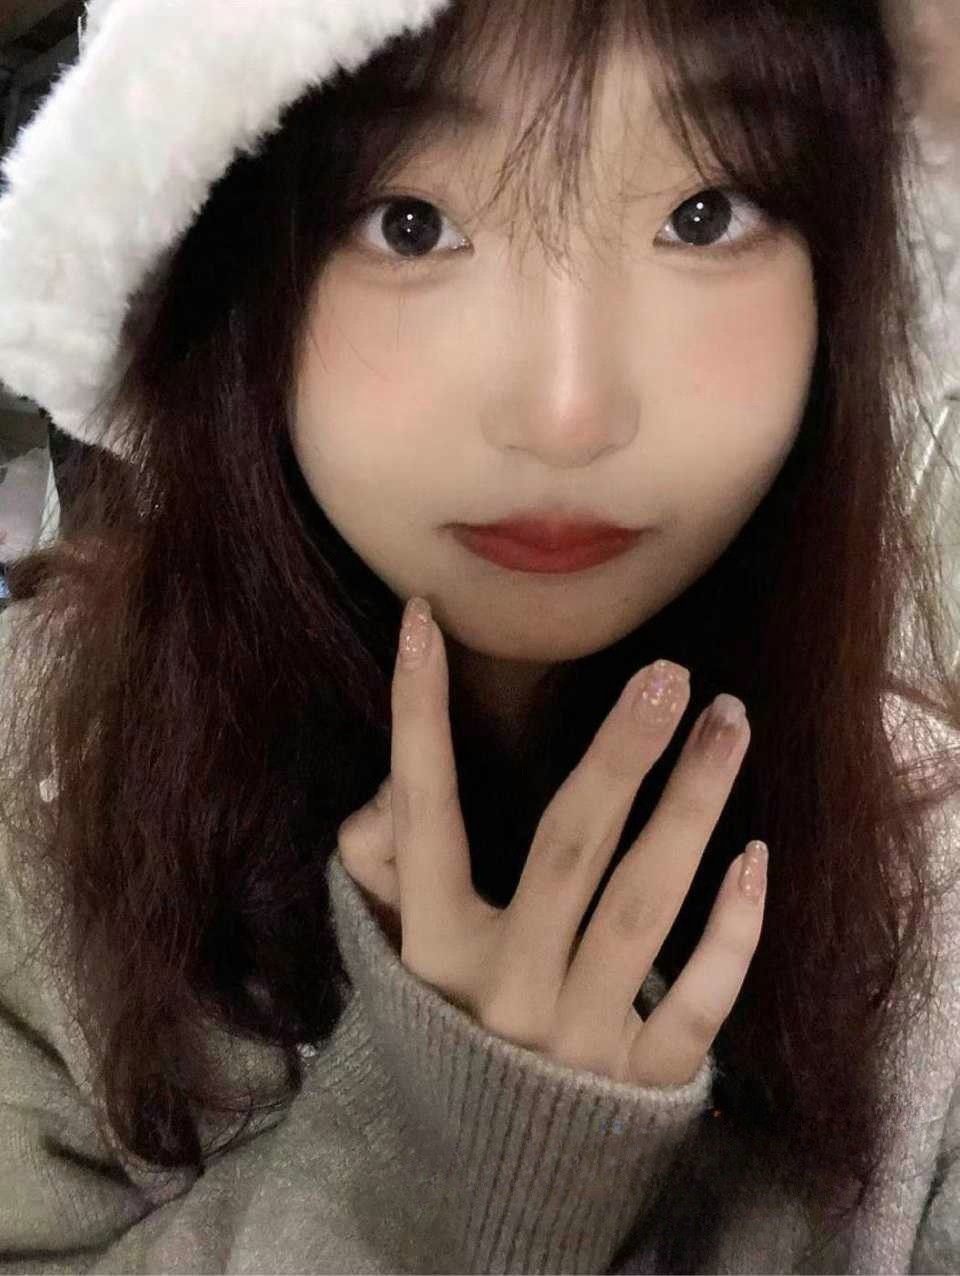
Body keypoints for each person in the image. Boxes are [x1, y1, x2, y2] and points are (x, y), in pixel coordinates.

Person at [0, 0, 958, 1271]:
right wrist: (440, 1182)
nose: (566, 412)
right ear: (235, 262)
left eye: (704, 213)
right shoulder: (31, 787)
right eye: (411, 223)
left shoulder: (933, 876)